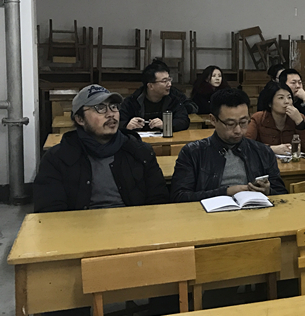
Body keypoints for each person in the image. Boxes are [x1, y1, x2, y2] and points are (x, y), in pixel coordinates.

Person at [34, 83, 170, 212]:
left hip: (133, 224)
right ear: (80, 119)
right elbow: (50, 212)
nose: (110, 114)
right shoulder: (58, 158)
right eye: (100, 108)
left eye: (113, 107)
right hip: (80, 226)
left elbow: (159, 201)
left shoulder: (139, 151)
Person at [171, 88, 287, 201]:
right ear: (213, 120)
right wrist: (226, 192)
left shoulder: (263, 152)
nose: (238, 130)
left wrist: (268, 191)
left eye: (243, 122)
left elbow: (282, 194)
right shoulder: (193, 153)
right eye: (230, 124)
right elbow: (179, 197)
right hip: (208, 213)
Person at [245, 81, 305, 155]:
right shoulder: (258, 118)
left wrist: (300, 123)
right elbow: (245, 145)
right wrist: (271, 149)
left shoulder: (297, 117)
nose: (287, 102)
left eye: (289, 97)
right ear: (270, 103)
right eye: (281, 98)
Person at [119, 59, 190, 132]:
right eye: (164, 81)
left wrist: (165, 125)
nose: (169, 84)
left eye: (169, 80)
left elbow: (184, 121)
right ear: (150, 86)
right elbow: (119, 122)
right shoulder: (133, 101)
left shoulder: (173, 99)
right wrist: (127, 126)